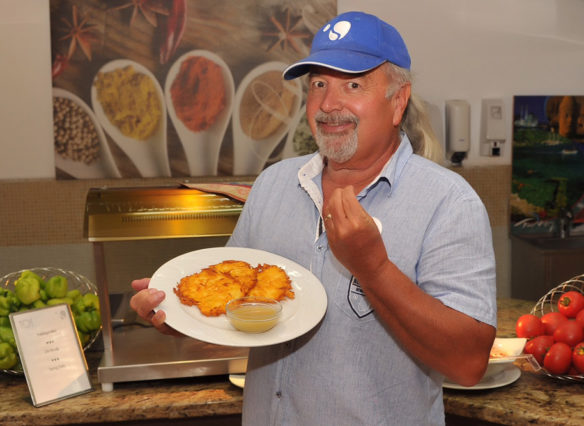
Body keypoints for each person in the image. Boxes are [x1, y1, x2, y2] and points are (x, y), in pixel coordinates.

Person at [130, 11, 496, 425]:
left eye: (352, 85)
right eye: (318, 84)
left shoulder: (449, 203)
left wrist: (374, 269)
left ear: (398, 101)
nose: (328, 104)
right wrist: (178, 316)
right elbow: (233, 311)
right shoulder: (273, 185)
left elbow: (468, 364)